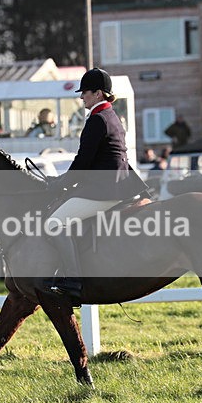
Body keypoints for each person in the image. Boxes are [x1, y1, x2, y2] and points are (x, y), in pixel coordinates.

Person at [45, 68, 149, 304]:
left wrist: (60, 183)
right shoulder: (112, 115)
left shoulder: (97, 120)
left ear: (99, 93)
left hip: (105, 190)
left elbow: (83, 161)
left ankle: (72, 281)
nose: (81, 97)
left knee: (53, 223)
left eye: (85, 93)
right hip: (116, 184)